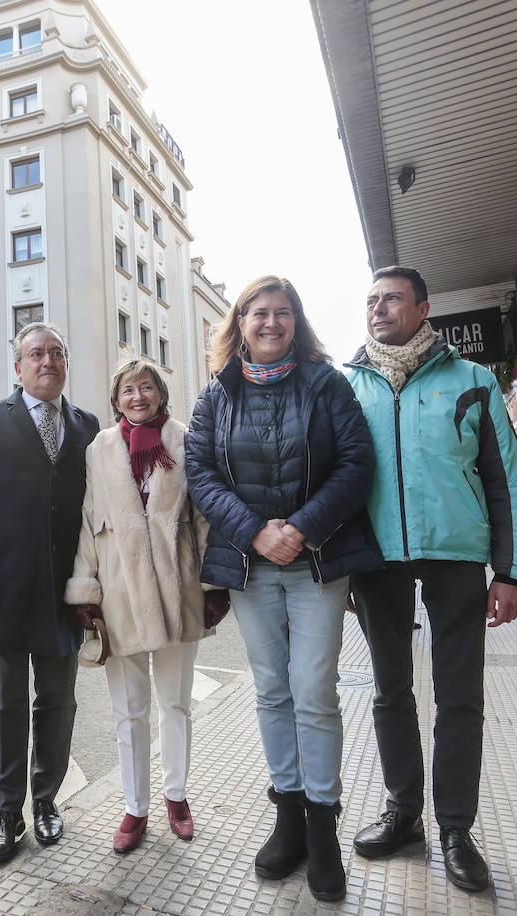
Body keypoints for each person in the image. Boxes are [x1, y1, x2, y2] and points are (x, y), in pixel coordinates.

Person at [343, 266, 517, 893]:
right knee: (389, 691)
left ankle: (456, 827)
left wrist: (513, 572)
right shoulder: (346, 387)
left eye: (392, 299)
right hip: (377, 560)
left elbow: (507, 478)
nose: (378, 309)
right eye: (371, 300)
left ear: (423, 308)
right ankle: (404, 815)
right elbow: (337, 486)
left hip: (457, 556)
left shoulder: (475, 380)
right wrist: (342, 566)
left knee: (459, 696)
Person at [186, 276, 380, 902]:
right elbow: (200, 473)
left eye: (283, 313)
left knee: (313, 692)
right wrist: (253, 532)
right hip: (250, 566)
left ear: (297, 322)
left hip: (317, 562)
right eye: (259, 313)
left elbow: (356, 465)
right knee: (271, 690)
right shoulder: (216, 396)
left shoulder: (327, 384)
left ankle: (323, 832)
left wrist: (299, 528)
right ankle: (288, 818)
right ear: (238, 323)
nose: (271, 323)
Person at [64, 358, 227, 854]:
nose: (139, 397)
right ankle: (135, 807)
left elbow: (203, 517)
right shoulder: (99, 449)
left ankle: (176, 796)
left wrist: (213, 584)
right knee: (128, 712)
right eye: (129, 390)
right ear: (117, 400)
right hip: (120, 593)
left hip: (178, 590)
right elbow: (89, 520)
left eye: (148, 387)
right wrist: (84, 590)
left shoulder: (185, 438)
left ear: (161, 393)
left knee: (175, 703)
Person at [0, 322, 100, 865]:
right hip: (5, 589)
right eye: (35, 354)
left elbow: (96, 510)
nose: (47, 361)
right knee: (5, 702)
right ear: (18, 367)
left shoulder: (87, 425)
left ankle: (46, 801)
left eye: (56, 353)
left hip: (66, 592)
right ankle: (6, 812)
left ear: (66, 363)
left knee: (58, 701)